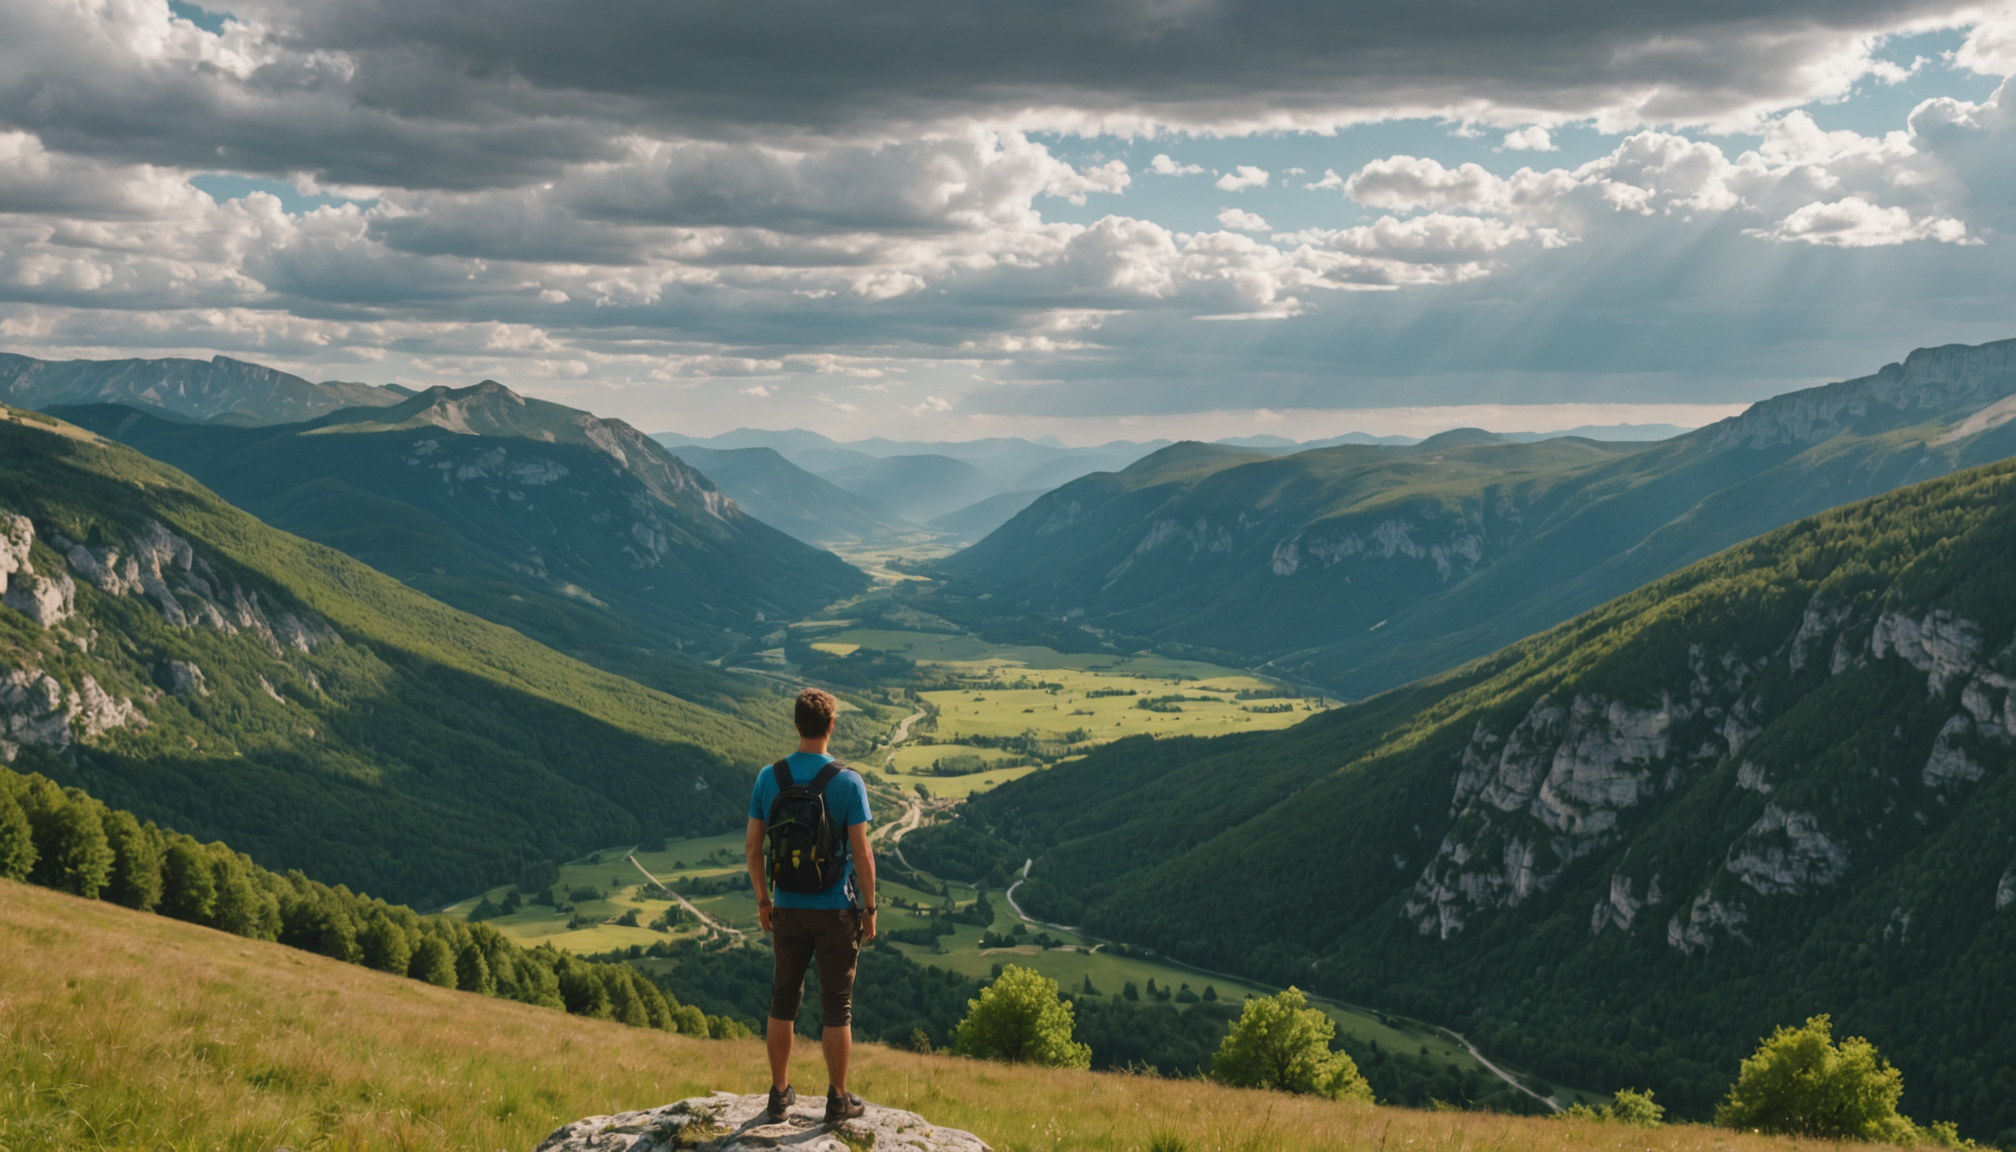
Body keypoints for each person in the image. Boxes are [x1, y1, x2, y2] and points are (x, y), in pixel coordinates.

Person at [745, 687, 878, 1124]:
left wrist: (765, 900)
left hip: (786, 905)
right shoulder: (848, 781)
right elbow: (862, 854)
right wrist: (871, 909)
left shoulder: (770, 777)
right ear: (831, 725)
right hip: (835, 909)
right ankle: (838, 1100)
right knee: (837, 1006)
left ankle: (780, 1095)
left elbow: (752, 846)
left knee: (783, 1001)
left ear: (796, 724)